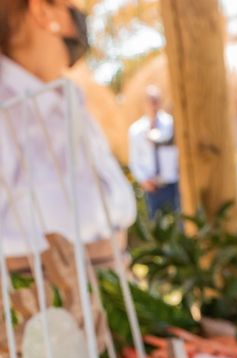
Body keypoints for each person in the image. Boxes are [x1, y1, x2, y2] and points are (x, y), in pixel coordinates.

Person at [0, 0, 136, 266]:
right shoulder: (8, 110)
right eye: (71, 5)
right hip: (47, 302)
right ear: (41, 11)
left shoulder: (68, 100)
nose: (80, 18)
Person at [129, 86, 180, 219]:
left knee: (178, 222)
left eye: (156, 100)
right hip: (152, 187)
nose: (153, 104)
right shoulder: (136, 130)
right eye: (150, 100)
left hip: (172, 184)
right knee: (156, 222)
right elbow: (134, 160)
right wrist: (144, 180)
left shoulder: (171, 124)